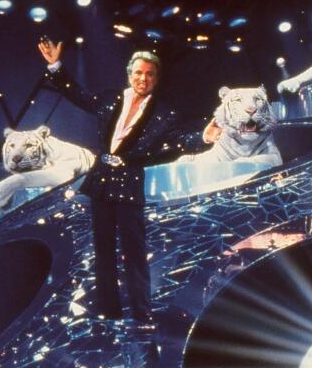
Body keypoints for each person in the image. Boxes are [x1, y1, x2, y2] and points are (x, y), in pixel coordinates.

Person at [38, 39, 216, 327]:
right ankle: (109, 311)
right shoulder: (111, 98)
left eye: (149, 74)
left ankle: (141, 314)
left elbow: (181, 139)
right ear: (129, 74)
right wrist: (55, 66)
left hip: (129, 181)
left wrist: (204, 137)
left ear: (156, 79)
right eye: (138, 73)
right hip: (102, 180)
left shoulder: (163, 113)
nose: (143, 79)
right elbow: (77, 95)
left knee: (134, 251)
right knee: (103, 249)